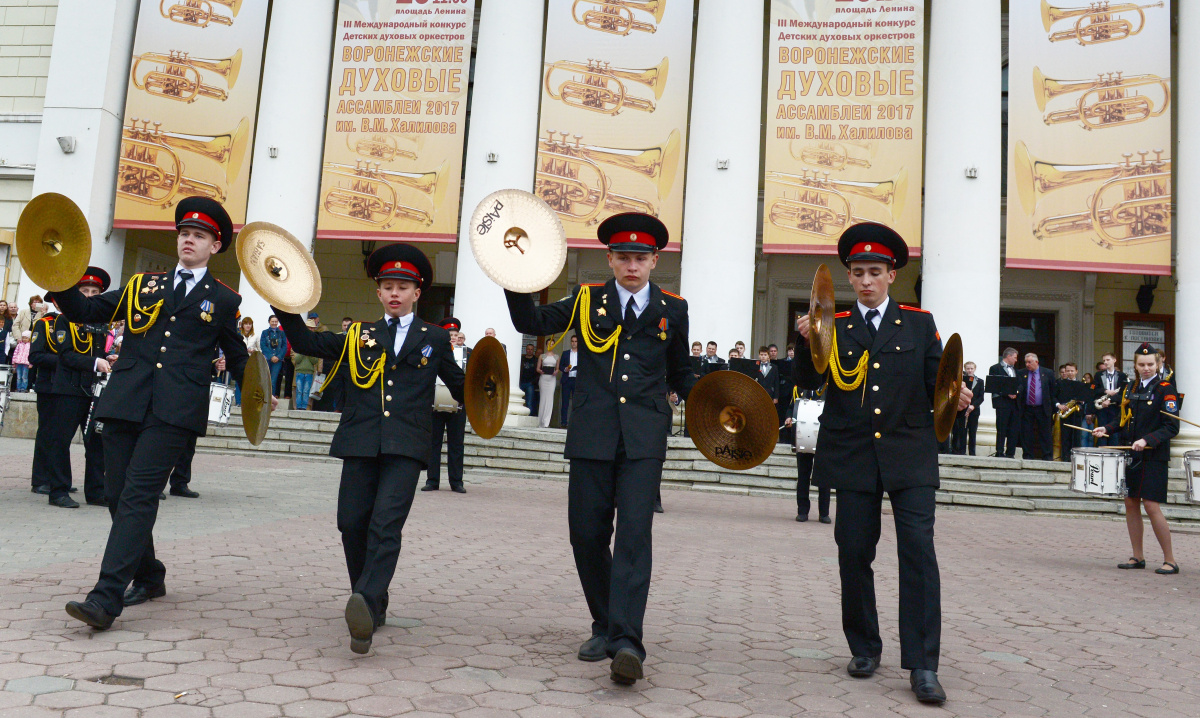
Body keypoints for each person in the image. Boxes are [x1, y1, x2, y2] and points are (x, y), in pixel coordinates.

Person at [505, 212, 696, 686]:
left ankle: (628, 640)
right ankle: (605, 621)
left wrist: (712, 401)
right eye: (623, 257)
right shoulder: (586, 300)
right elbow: (532, 320)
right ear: (610, 259)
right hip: (592, 433)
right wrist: (513, 275)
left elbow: (681, 370)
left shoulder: (674, 308)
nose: (632, 265)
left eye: (641, 258)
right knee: (586, 535)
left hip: (643, 438)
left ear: (655, 261)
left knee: (633, 535)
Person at [55, 196, 256, 630]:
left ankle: (105, 599)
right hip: (127, 398)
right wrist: (57, 278)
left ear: (214, 247)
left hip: (174, 410)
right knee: (116, 495)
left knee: (138, 496)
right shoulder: (142, 285)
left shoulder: (223, 299)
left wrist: (257, 394)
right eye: (185, 233)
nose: (189, 240)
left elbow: (237, 356)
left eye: (199, 236)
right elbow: (87, 311)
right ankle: (149, 574)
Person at [793, 222, 971, 706]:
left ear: (892, 275)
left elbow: (941, 379)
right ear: (849, 278)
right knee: (854, 551)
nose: (866, 281)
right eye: (858, 272)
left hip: (909, 452)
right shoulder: (836, 326)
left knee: (918, 552)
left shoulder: (918, 322)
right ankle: (865, 647)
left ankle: (923, 664)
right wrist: (807, 342)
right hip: (852, 453)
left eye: (875, 272)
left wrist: (958, 395)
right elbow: (810, 380)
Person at [273, 243, 465, 653]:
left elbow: (461, 383)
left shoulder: (433, 337)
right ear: (379, 293)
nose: (395, 293)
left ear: (417, 293)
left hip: (408, 445)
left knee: (385, 525)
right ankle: (370, 599)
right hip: (361, 441)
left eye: (403, 287)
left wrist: (489, 392)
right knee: (351, 522)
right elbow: (307, 342)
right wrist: (284, 298)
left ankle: (363, 599)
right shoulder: (360, 334)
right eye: (388, 286)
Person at [1093, 343, 1179, 575]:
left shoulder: (1165, 389)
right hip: (1132, 454)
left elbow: (1172, 427)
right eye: (1142, 365)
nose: (1146, 368)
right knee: (1130, 503)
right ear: (1135, 366)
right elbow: (1124, 420)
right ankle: (1137, 556)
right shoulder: (1130, 387)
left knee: (1151, 506)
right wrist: (1106, 429)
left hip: (1154, 456)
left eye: (1150, 364)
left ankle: (1170, 560)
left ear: (1158, 364)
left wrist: (1147, 440)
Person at [34, 269, 115, 508]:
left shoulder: (100, 321)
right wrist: (94, 362)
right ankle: (58, 491)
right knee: (60, 441)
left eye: (95, 292)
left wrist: (108, 359)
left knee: (96, 442)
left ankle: (96, 492)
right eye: (84, 291)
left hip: (93, 390)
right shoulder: (62, 320)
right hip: (67, 389)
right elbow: (66, 355)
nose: (90, 295)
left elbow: (99, 353)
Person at [425, 317, 469, 493]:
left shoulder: (468, 353)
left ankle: (456, 481)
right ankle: (432, 480)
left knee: (457, 444)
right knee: (433, 443)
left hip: (458, 406)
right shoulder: (432, 351)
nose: (452, 337)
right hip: (434, 404)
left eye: (455, 334)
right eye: (449, 334)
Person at [27, 301, 61, 496]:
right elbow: (36, 356)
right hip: (50, 385)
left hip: (73, 388)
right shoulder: (45, 324)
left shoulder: (80, 323)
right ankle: (40, 479)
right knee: (47, 434)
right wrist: (68, 361)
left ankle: (57, 478)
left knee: (61, 437)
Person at [1018, 353, 1056, 460]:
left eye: (1029, 362)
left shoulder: (1047, 373)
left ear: (1037, 362)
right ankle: (1028, 455)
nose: (1027, 364)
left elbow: (1052, 391)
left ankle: (1047, 456)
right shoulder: (1021, 373)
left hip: (1042, 408)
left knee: (1045, 433)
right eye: (1026, 362)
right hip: (1027, 408)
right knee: (1026, 433)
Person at [988, 348, 1021, 458]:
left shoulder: (1015, 370)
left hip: (1014, 403)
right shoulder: (995, 368)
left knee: (1013, 428)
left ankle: (1010, 452)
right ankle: (1000, 451)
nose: (1016, 360)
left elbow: (1019, 384)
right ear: (1008, 356)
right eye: (1015, 357)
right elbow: (995, 384)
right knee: (1001, 428)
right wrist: (1007, 393)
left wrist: (1016, 392)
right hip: (1002, 402)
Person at [952, 363, 985, 456]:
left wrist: (973, 406)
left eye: (971, 368)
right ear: (965, 369)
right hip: (963, 409)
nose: (969, 370)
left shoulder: (980, 381)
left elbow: (981, 397)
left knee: (972, 431)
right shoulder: (961, 381)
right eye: (967, 368)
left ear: (975, 369)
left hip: (974, 410)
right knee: (962, 431)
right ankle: (962, 451)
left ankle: (972, 452)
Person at [1094, 353, 1127, 447]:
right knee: (1101, 431)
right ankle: (1102, 453)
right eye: (1104, 360)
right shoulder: (1098, 375)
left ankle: (1113, 453)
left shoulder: (1122, 375)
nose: (1105, 362)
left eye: (1108, 360)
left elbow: (1122, 393)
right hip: (1102, 407)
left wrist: (1111, 399)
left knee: (1114, 433)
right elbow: (1095, 389)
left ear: (1114, 360)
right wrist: (1105, 390)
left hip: (1115, 407)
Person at [292, 313, 321, 410]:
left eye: (312, 328)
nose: (310, 329)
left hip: (310, 370)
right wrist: (304, 351)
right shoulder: (298, 339)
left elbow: (316, 359)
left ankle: (305, 408)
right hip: (299, 369)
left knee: (307, 391)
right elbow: (295, 358)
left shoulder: (316, 340)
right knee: (299, 390)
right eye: (308, 327)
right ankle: (297, 407)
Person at [260, 315, 287, 397]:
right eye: (272, 321)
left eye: (276, 321)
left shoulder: (282, 333)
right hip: (267, 359)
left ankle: (271, 398)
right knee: (265, 379)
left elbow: (284, 346)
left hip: (278, 361)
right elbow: (263, 345)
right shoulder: (264, 333)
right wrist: (271, 356)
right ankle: (264, 397)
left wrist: (278, 357)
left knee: (273, 380)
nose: (274, 323)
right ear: (269, 322)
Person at [560, 335, 580, 427]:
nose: (574, 343)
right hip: (567, 380)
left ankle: (575, 423)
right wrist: (565, 369)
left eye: (575, 341)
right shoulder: (565, 353)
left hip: (577, 380)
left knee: (576, 402)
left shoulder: (582, 354)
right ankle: (564, 422)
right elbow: (560, 365)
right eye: (572, 341)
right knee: (565, 402)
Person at [537, 345, 559, 428]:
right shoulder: (542, 356)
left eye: (553, 343)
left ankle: (546, 422)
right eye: (549, 344)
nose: (551, 345)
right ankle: (540, 421)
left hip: (551, 379)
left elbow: (557, 368)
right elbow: (538, 368)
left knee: (550, 399)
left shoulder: (557, 356)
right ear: (546, 345)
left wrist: (556, 372)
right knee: (543, 399)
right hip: (543, 378)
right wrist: (541, 371)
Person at [519, 343, 539, 412]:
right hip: (521, 382)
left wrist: (533, 382)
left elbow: (538, 373)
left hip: (530, 383)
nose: (529, 351)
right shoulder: (521, 359)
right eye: (528, 349)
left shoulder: (536, 360)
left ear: (533, 350)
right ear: (526, 350)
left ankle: (529, 419)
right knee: (518, 401)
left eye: (531, 349)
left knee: (529, 402)